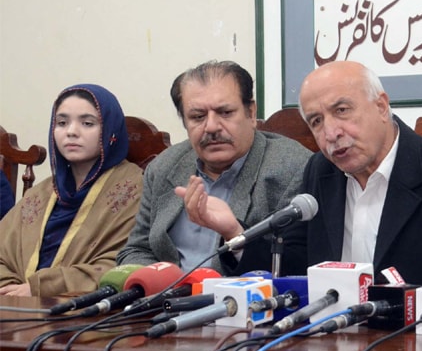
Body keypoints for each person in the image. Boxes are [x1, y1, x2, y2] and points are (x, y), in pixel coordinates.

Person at [181, 61, 422, 301]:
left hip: (416, 350)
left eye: (342, 111)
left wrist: (399, 304)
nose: (331, 133)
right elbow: (290, 265)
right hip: (330, 345)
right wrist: (233, 232)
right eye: (316, 121)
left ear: (381, 106)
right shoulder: (319, 172)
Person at [116, 61, 312, 275]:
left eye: (225, 112)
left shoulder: (292, 169)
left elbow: (294, 267)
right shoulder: (164, 167)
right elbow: (136, 250)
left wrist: (235, 235)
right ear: (184, 122)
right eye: (198, 117)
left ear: (251, 113)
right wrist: (161, 284)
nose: (211, 127)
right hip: (164, 302)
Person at [0, 84, 142, 297]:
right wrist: (12, 290)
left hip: (88, 317)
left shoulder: (135, 189)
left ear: (111, 131)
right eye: (62, 122)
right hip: (15, 310)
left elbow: (125, 264)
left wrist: (38, 289)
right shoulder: (43, 192)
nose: (71, 132)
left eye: (87, 123)